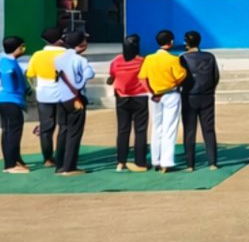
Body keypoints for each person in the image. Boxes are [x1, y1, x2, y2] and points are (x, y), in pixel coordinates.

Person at [139, 29, 187, 173]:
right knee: (169, 128)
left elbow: (142, 78)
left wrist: (151, 92)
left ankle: (156, 160)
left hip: (154, 96)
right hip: (171, 94)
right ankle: (166, 162)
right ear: (171, 42)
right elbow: (181, 76)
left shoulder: (149, 58)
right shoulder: (173, 59)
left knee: (156, 128)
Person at [51, 31, 95, 176]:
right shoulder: (80, 60)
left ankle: (60, 164)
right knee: (74, 132)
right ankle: (70, 166)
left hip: (61, 98)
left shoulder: (58, 58)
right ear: (80, 44)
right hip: (75, 99)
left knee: (63, 130)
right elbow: (88, 76)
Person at [106, 34, 151, 172]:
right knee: (140, 130)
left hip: (122, 97)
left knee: (123, 130)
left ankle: (121, 161)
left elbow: (112, 75)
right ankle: (141, 162)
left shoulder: (117, 60)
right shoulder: (142, 61)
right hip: (140, 97)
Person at [179, 30, 221, 170]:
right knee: (209, 130)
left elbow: (180, 78)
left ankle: (190, 164)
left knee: (189, 130)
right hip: (207, 96)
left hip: (189, 97)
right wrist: (210, 90)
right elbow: (215, 76)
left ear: (186, 43)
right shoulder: (209, 57)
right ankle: (212, 163)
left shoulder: (183, 58)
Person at [0, 35, 32, 173]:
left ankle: (15, 160)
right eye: (22, 46)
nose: (24, 49)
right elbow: (6, 75)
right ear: (17, 48)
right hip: (10, 101)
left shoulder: (10, 60)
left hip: (10, 100)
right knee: (12, 132)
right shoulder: (7, 62)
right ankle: (10, 164)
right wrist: (11, 87)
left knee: (10, 131)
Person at [26, 26, 66, 168]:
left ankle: (47, 159)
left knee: (46, 128)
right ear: (60, 39)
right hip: (63, 95)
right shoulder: (67, 54)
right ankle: (63, 157)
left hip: (44, 95)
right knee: (64, 126)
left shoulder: (37, 55)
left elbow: (30, 74)